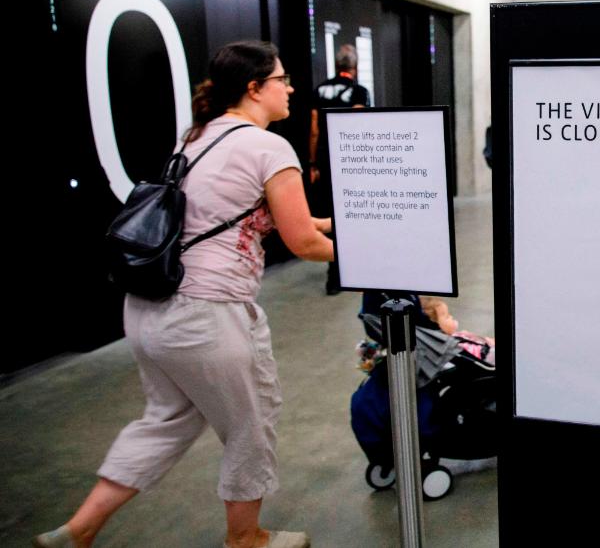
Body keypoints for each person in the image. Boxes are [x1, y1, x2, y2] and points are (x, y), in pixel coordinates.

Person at [34, 41, 333, 548]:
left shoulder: (196, 137)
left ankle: (76, 531)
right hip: (208, 314)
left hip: (152, 309)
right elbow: (302, 241)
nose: (291, 88)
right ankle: (246, 538)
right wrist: (369, 254)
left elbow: (247, 219)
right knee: (251, 424)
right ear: (255, 87)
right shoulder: (269, 147)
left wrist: (335, 226)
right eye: (282, 79)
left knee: (164, 421)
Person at [309, 44, 370, 294]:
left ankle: (333, 277)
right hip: (349, 161)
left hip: (324, 161)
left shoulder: (320, 89)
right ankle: (353, 270)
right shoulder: (359, 91)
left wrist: (313, 163)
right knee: (353, 213)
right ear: (354, 68)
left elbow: (314, 129)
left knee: (331, 214)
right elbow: (358, 126)